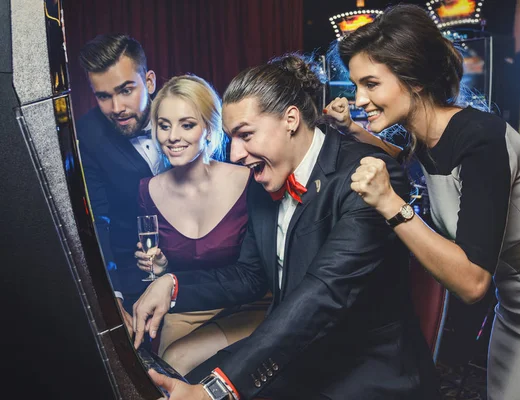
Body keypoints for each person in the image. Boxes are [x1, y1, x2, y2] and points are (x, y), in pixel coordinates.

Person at [324, 4, 520, 399]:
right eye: (356, 87)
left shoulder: (482, 137)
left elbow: (472, 283)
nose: (359, 98)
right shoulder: (427, 137)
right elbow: (414, 160)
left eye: (370, 84)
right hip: (514, 310)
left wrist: (390, 204)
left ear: (414, 79)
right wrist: (353, 130)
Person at [132, 54, 439, 399]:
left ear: (290, 119)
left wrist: (217, 390)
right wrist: (171, 284)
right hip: (296, 356)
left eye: (246, 135)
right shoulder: (262, 183)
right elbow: (249, 276)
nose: (235, 154)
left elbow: (323, 293)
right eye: (232, 138)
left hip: (364, 371)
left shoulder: (368, 175)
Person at [133, 74, 268, 374]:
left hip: (248, 305)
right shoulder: (147, 190)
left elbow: (256, 275)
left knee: (183, 364)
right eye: (164, 125)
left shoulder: (248, 180)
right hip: (187, 309)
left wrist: (169, 282)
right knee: (164, 372)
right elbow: (157, 276)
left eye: (187, 124)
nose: (172, 136)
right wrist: (158, 267)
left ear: (208, 128)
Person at [77, 34, 167, 327]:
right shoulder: (88, 135)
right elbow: (96, 221)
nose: (116, 107)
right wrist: (111, 295)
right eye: (103, 96)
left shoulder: (183, 110)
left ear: (149, 82)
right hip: (132, 279)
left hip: (200, 267)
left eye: (126, 90)